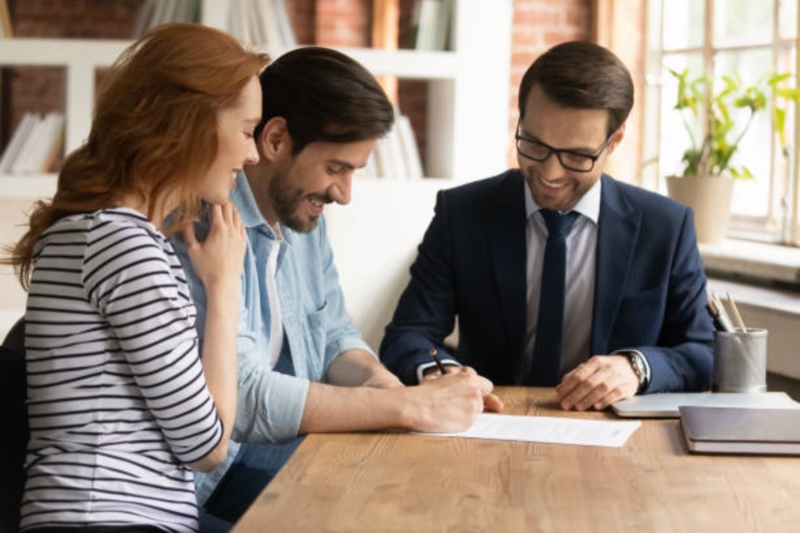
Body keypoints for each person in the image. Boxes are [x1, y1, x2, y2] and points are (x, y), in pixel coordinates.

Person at [174, 46, 500, 526]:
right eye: (336, 168)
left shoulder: (304, 218)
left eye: (353, 171)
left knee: (430, 498)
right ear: (276, 138)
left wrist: (386, 385)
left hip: (263, 459)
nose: (345, 194)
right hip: (200, 487)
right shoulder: (203, 226)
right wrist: (404, 406)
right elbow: (242, 398)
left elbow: (333, 336)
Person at [4, 24, 268, 532]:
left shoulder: (100, 232)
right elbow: (206, 447)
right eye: (245, 130)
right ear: (189, 124)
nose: (253, 154)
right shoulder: (122, 245)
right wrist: (224, 290)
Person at [380, 41, 714, 412]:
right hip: (490, 423)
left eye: (577, 155)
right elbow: (409, 334)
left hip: (619, 437)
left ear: (614, 141)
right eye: (534, 145)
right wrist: (441, 377)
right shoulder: (462, 213)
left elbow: (703, 352)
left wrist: (635, 367)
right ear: (520, 119)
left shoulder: (665, 227)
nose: (550, 173)